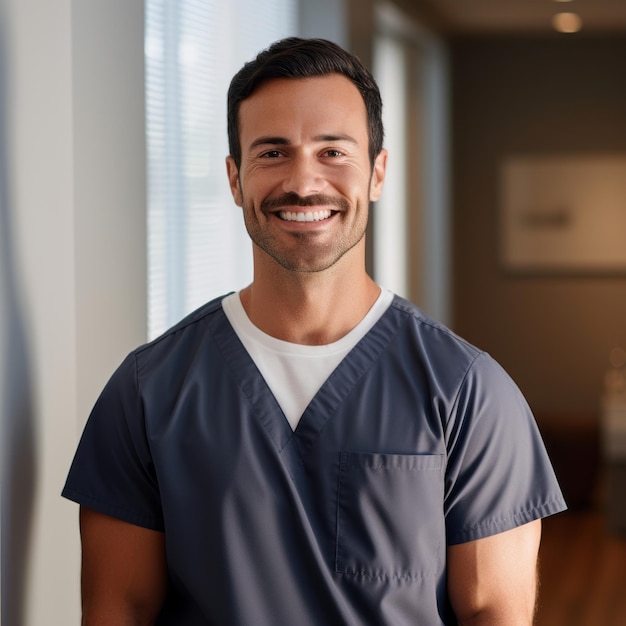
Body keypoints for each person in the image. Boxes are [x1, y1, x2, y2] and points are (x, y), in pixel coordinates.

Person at [63, 37, 566, 625]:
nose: (303, 182)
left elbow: (492, 613)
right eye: (273, 152)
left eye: (333, 152)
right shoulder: (147, 391)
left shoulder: (469, 394)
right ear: (234, 179)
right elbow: (118, 609)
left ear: (377, 172)